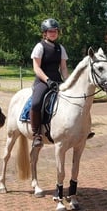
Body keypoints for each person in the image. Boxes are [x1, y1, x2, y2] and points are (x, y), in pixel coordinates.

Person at [30, 18, 69, 149]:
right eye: (50, 31)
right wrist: (47, 80)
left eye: (55, 31)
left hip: (57, 80)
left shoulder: (60, 48)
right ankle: (36, 134)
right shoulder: (39, 47)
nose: (53, 33)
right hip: (42, 81)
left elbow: (63, 68)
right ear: (44, 33)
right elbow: (36, 68)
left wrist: (68, 82)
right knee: (36, 102)